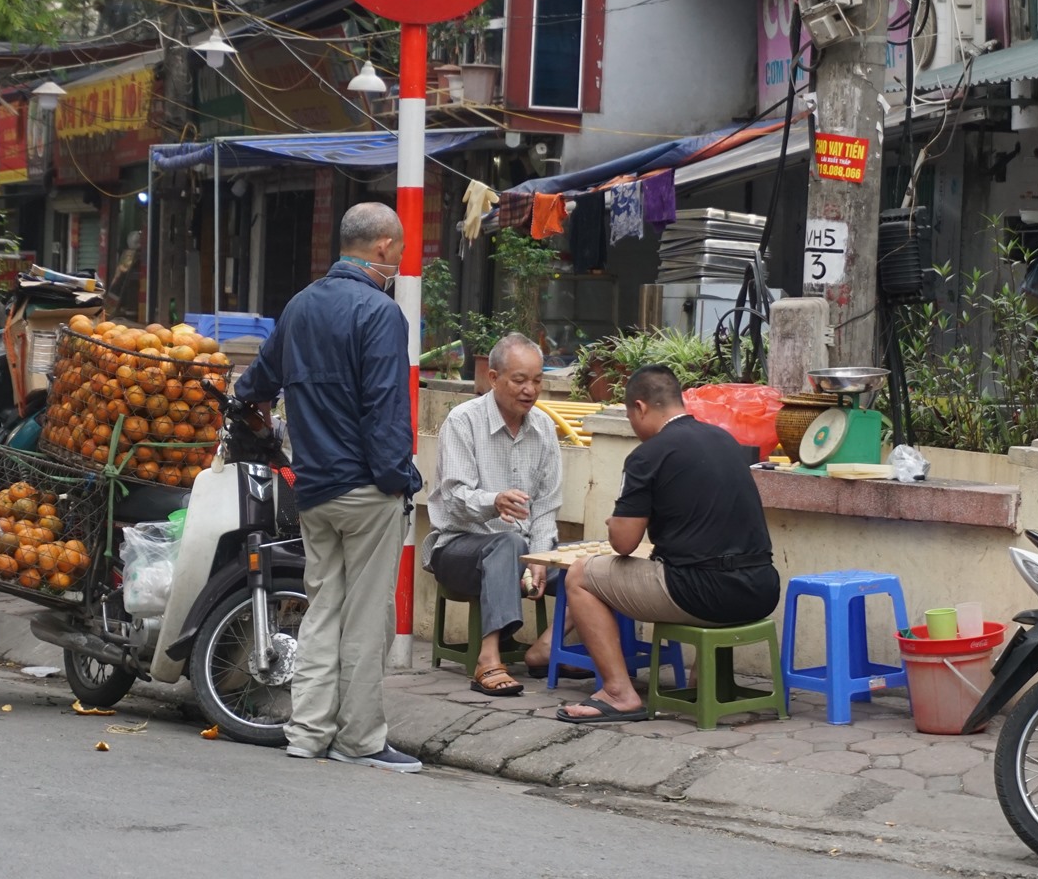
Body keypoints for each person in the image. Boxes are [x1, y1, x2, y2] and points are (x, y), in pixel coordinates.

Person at [236, 201, 424, 773]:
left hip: (313, 487)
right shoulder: (380, 312)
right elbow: (387, 412)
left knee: (322, 612)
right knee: (366, 620)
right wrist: (400, 482)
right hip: (368, 489)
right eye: (398, 252)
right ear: (385, 248)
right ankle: (361, 739)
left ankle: (308, 732)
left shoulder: (299, 307)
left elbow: (253, 386)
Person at [556, 364, 781, 723]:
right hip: (762, 588)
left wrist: (615, 523)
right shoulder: (725, 441)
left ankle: (617, 692)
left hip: (701, 592)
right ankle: (707, 682)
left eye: (631, 416)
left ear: (640, 408)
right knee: (696, 561)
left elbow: (625, 543)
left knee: (580, 575)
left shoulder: (647, 455)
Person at [426, 333, 562, 695]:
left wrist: (541, 556)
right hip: (458, 549)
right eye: (519, 380)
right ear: (494, 378)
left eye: (537, 380)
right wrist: (494, 500)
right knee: (507, 542)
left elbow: (547, 506)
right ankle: (488, 659)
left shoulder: (545, 428)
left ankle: (546, 648)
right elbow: (453, 498)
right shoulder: (463, 421)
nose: (529, 390)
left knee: (593, 567)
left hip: (522, 550)